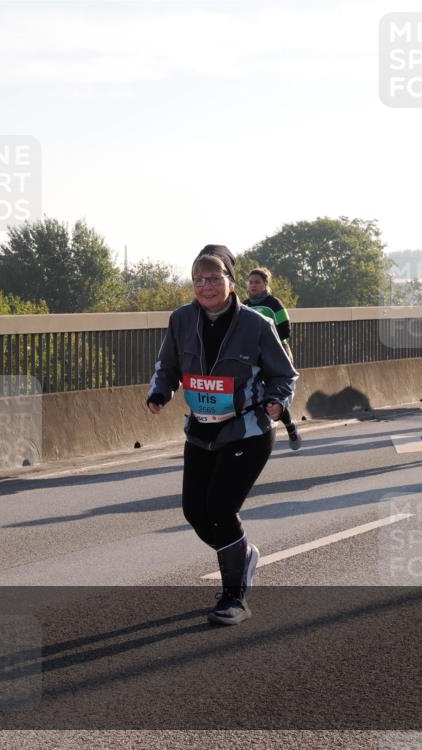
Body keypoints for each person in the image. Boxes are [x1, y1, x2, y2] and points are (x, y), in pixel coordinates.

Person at [147, 245, 298, 626]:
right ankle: (242, 555)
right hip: (200, 430)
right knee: (195, 512)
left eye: (214, 278)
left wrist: (278, 402)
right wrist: (159, 393)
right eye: (198, 279)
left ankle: (234, 595)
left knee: (220, 508)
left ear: (231, 282)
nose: (206, 286)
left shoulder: (256, 325)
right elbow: (168, 364)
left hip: (247, 431)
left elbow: (284, 375)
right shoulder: (181, 320)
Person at [243, 268, 302, 450]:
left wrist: (264, 340)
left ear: (265, 284)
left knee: (273, 397)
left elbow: (285, 330)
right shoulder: (243, 305)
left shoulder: (274, 304)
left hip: (276, 355)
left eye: (257, 282)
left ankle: (290, 428)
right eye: (251, 282)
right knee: (254, 397)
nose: (253, 285)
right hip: (253, 357)